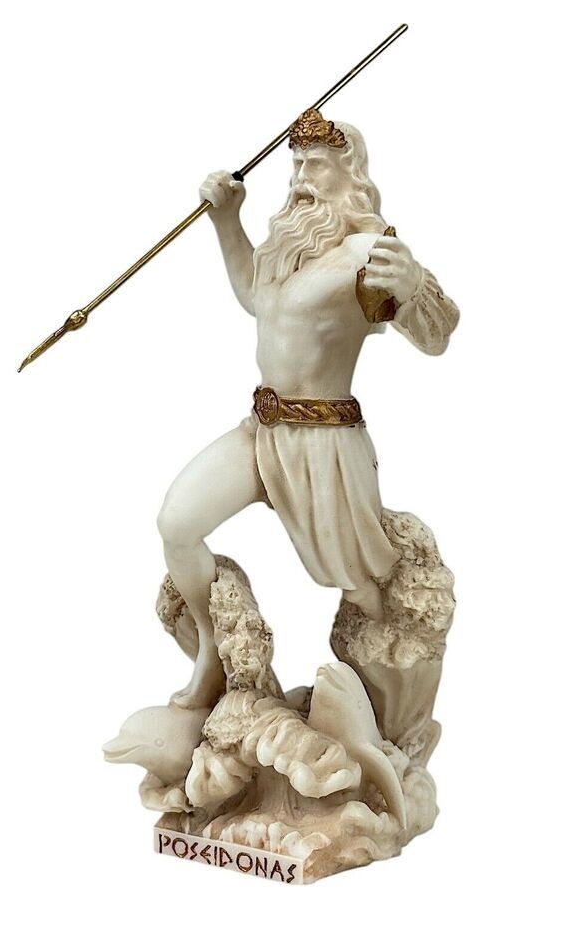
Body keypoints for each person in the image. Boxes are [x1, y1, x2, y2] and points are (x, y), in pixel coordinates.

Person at [158, 109, 459, 707]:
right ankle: (215, 654)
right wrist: (227, 221)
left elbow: (437, 334)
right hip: (261, 432)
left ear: (349, 175)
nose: (301, 178)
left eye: (315, 165)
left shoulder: (368, 251)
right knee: (178, 524)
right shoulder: (288, 248)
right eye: (296, 164)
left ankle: (382, 709)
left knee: (363, 588)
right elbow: (256, 299)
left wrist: (414, 285)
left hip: (325, 445)